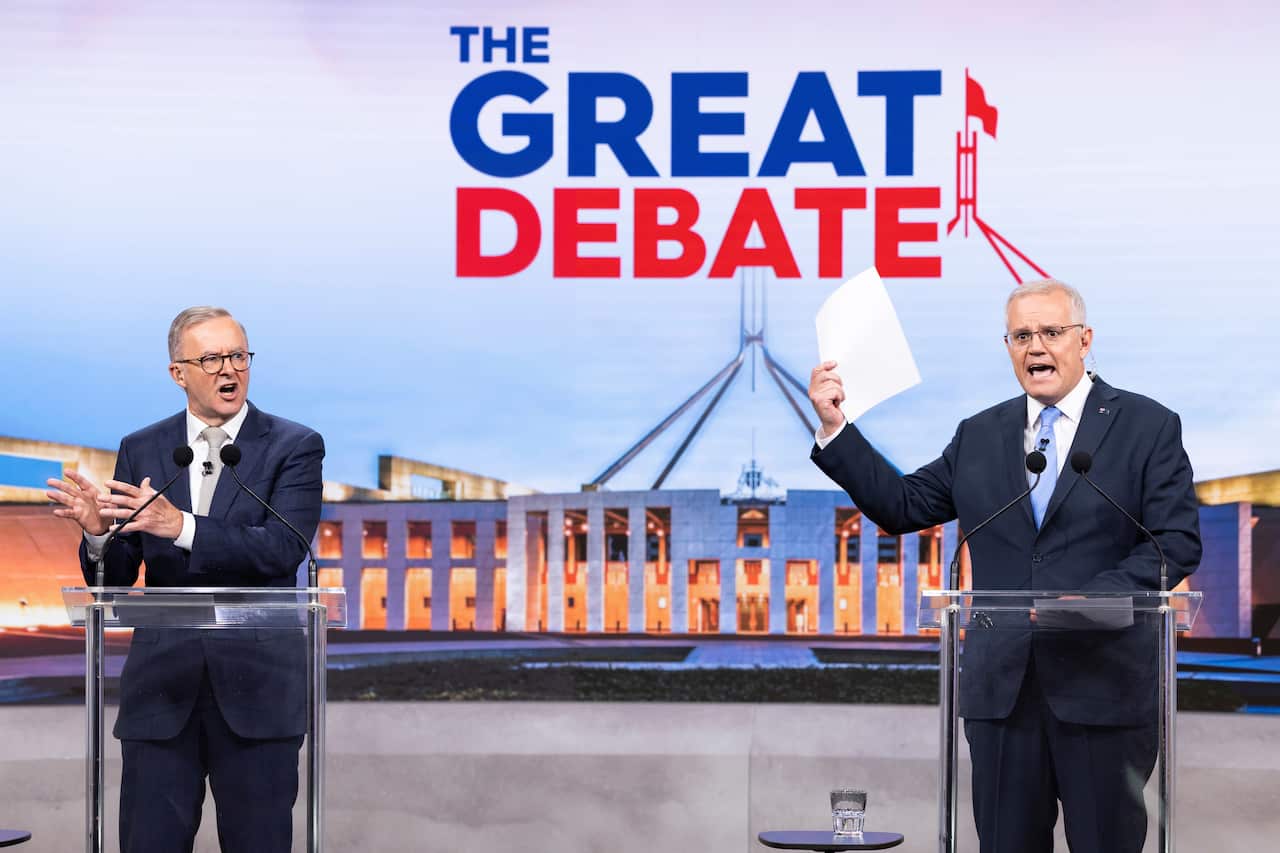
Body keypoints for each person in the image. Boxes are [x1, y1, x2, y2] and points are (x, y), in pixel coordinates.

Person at [807, 280, 1201, 853]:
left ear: (1084, 340)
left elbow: (1174, 542)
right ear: (1008, 346)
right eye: (1021, 336)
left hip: (1102, 687)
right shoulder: (980, 435)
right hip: (1003, 696)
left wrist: (1092, 600)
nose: (1035, 347)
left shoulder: (1147, 426)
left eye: (1050, 332)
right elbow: (902, 505)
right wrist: (834, 427)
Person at [46, 306, 324, 853]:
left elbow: (283, 547)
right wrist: (100, 535)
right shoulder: (143, 448)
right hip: (162, 691)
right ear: (179, 373)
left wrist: (183, 526)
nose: (230, 370)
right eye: (213, 358)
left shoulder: (294, 446)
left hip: (257, 690)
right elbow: (118, 581)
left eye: (239, 356)